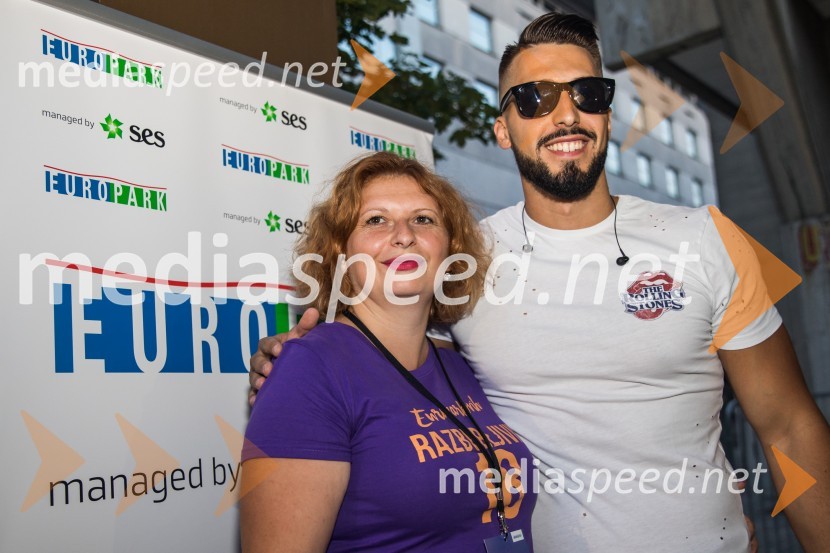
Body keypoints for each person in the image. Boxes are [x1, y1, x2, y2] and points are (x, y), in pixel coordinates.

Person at [250, 13, 830, 553]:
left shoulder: (705, 238)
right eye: (534, 98)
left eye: (588, 93)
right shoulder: (463, 260)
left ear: (606, 113)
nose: (566, 115)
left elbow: (789, 427)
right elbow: (384, 350)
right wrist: (291, 360)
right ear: (503, 129)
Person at [240, 151, 537, 553]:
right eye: (375, 220)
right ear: (340, 253)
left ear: (452, 251)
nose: (403, 234)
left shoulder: (459, 363)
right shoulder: (311, 369)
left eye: (423, 219)